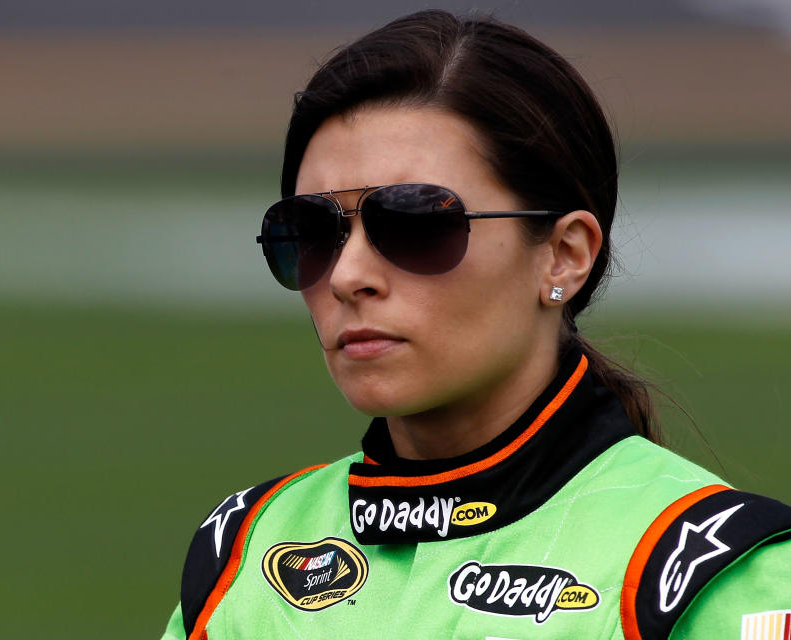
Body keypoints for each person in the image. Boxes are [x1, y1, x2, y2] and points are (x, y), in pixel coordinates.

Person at [161, 10, 791, 640]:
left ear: (565, 254)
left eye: (414, 225)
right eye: (312, 233)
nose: (349, 276)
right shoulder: (242, 555)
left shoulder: (710, 573)